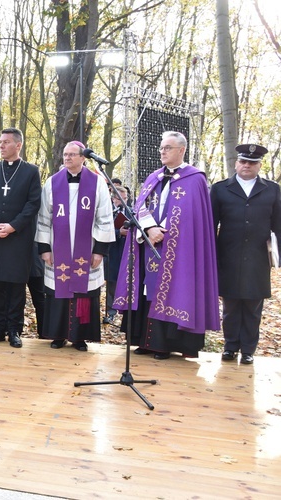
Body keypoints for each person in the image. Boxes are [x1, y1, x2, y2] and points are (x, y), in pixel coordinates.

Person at [114, 131, 220, 360]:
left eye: (168, 148)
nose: (162, 151)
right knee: (146, 290)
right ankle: (146, 341)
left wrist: (166, 230)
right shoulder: (154, 177)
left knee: (173, 291)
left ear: (181, 150)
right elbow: (139, 207)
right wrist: (150, 229)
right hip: (148, 244)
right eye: (162, 148)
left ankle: (165, 344)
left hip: (180, 249)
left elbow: (194, 218)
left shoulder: (195, 179)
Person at [36, 141, 115, 352]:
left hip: (87, 249)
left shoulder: (97, 183)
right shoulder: (52, 183)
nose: (67, 158)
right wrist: (44, 248)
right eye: (65, 154)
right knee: (57, 292)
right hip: (58, 248)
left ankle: (80, 337)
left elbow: (105, 218)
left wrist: (100, 250)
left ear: (83, 158)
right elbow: (44, 217)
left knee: (83, 293)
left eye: (72, 154)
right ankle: (58, 334)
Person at [211, 143, 281, 365]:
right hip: (228, 255)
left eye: (252, 163)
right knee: (230, 306)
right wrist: (210, 256)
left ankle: (248, 349)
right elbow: (211, 225)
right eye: (242, 161)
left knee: (253, 306)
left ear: (259, 165)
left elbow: (279, 224)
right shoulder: (220, 188)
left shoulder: (272, 189)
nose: (246, 166)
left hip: (258, 256)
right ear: (236, 163)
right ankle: (230, 346)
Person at [0, 127, 42, 349]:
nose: (1, 146)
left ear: (18, 145)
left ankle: (14, 330)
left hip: (17, 238)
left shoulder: (31, 171)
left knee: (15, 287)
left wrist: (13, 227)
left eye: (6, 142)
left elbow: (33, 204)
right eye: (0, 142)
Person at [104, 185, 129, 324]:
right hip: (112, 253)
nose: (124, 201)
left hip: (126, 252)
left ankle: (125, 312)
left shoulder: (131, 212)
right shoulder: (107, 212)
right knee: (112, 284)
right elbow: (103, 232)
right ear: (114, 199)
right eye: (121, 199)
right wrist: (119, 232)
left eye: (126, 198)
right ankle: (110, 312)